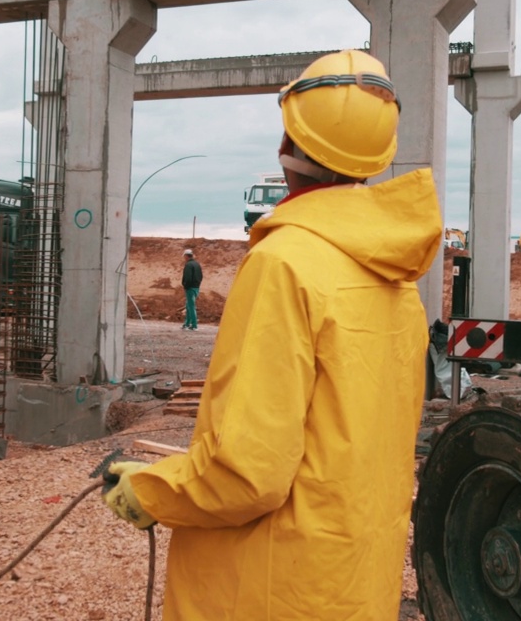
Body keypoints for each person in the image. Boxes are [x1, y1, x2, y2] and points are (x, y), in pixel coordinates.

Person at [101, 50, 441, 620]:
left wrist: (151, 491)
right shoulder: (398, 279)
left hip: (273, 588)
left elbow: (246, 473)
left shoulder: (284, 263)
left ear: (288, 145)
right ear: (376, 158)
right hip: (353, 585)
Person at [181, 249, 202, 330]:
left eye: (184, 256)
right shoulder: (197, 264)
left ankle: (194, 325)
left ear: (186, 256)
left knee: (191, 306)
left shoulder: (188, 265)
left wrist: (186, 286)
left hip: (190, 288)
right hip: (196, 287)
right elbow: (200, 276)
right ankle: (187, 323)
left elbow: (187, 277)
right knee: (188, 305)